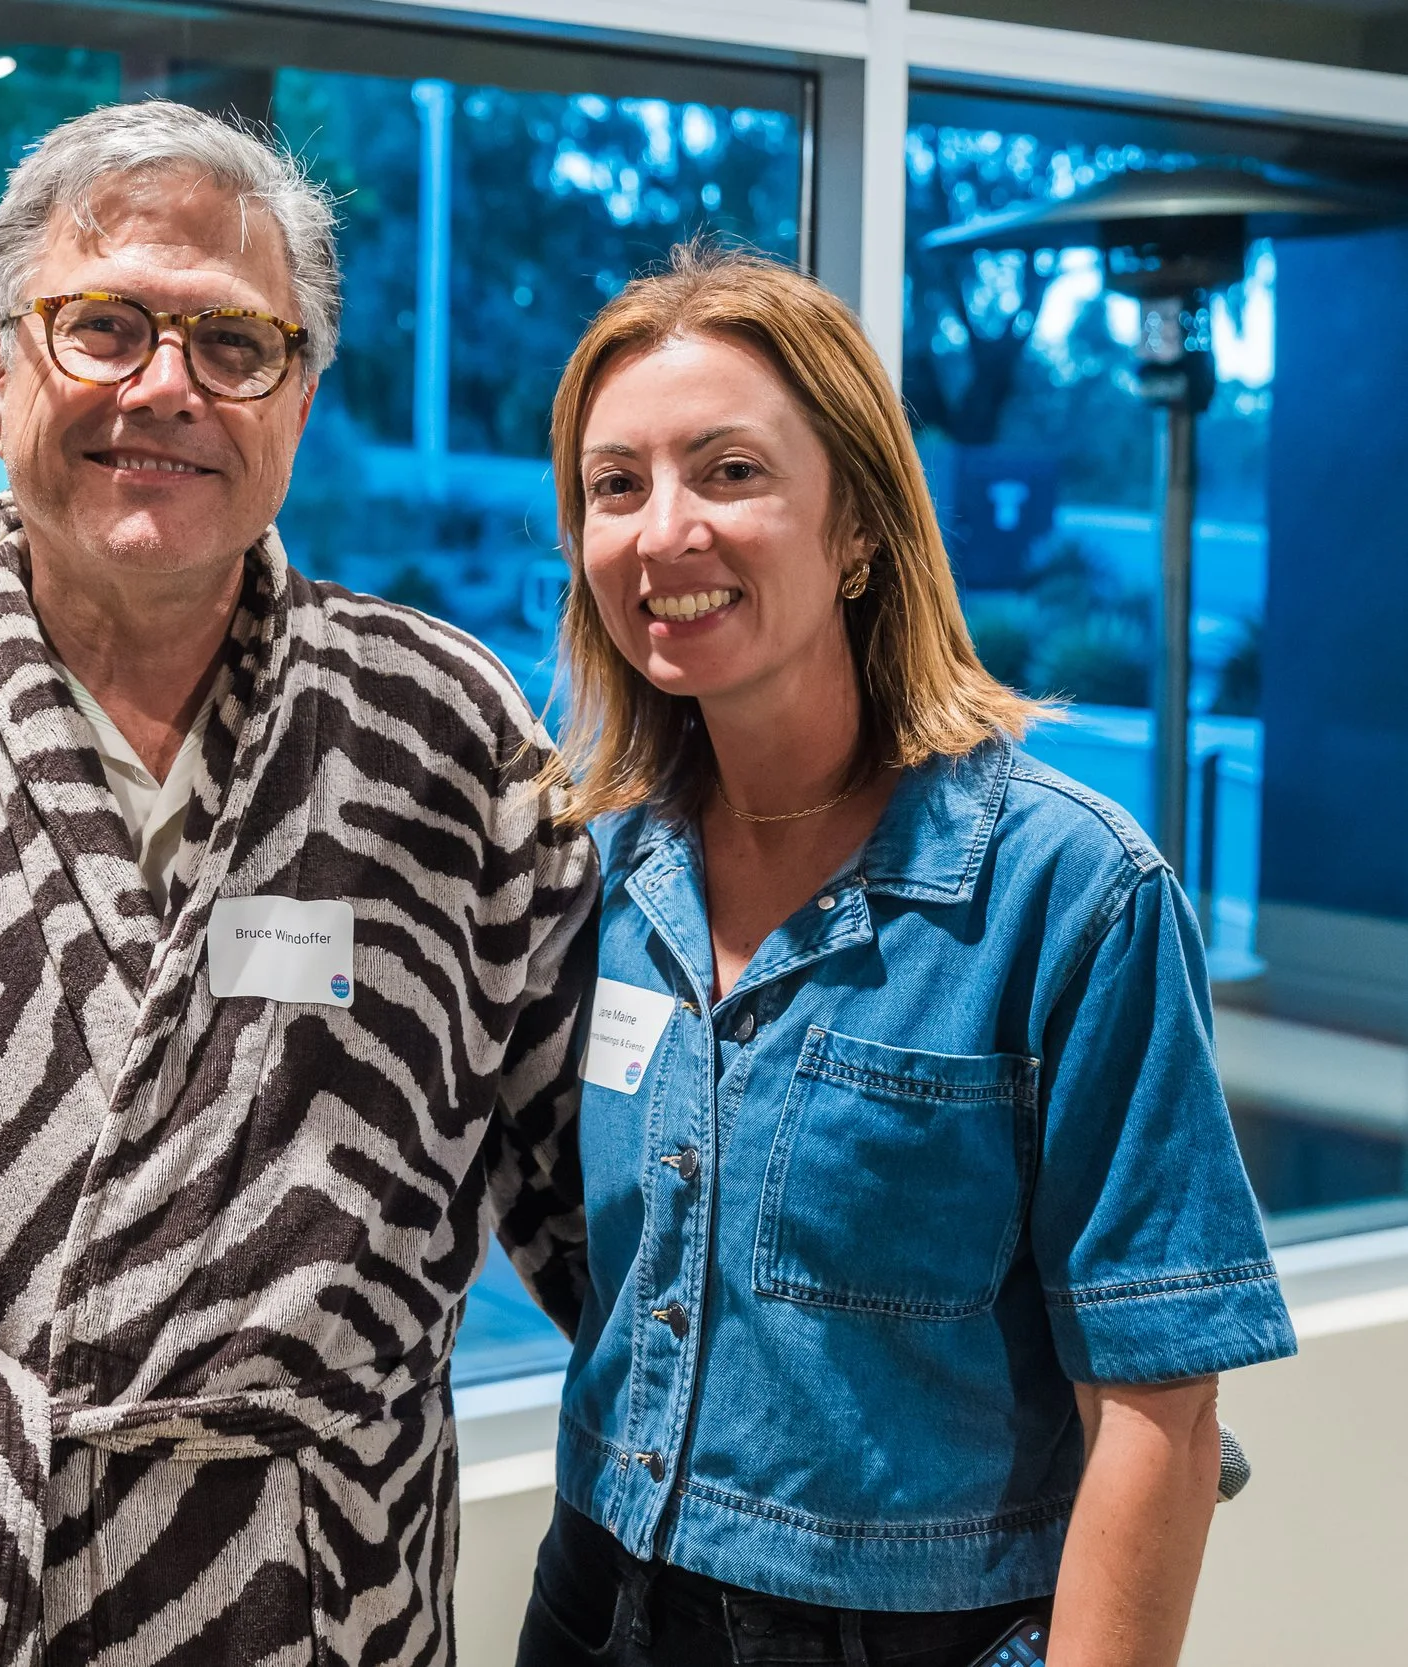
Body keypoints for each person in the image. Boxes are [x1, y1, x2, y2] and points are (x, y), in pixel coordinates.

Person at [0, 101, 597, 1666]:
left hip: (314, 1594)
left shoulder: (446, 731)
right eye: (103, 325)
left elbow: (604, 1199)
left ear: (301, 402)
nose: (166, 388)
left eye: (234, 344)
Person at [517, 243, 1296, 1667]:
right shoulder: (607, 870)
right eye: (615, 484)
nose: (661, 530)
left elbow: (1162, 1411)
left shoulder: (1068, 892)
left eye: (730, 471)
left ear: (860, 531)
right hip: (594, 1596)